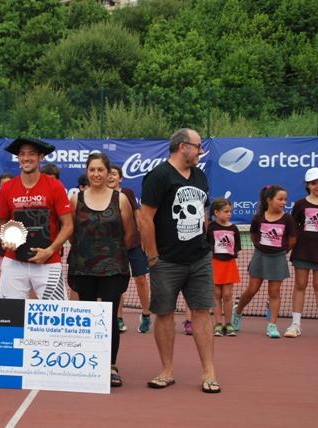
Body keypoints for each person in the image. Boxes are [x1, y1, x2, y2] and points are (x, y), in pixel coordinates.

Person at [139, 128, 220, 393]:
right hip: (167, 261)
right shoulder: (159, 176)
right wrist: (152, 256)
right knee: (163, 314)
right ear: (183, 146)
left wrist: (205, 244)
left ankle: (209, 372)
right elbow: (145, 218)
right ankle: (166, 370)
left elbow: (204, 213)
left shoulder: (199, 176)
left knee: (202, 312)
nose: (200, 151)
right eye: (198, 146)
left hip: (199, 258)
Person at [67, 152, 134, 387]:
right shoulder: (76, 199)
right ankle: (87, 362)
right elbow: (71, 231)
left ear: (108, 173)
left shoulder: (121, 200)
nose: (96, 174)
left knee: (109, 317)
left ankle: (110, 365)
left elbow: (129, 233)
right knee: (86, 318)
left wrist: (111, 254)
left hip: (113, 269)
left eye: (100, 170)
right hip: (83, 267)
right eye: (92, 170)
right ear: (87, 172)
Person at [0, 137, 73, 300]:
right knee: (10, 317)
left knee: (56, 315)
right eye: (22, 154)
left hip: (49, 261)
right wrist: (5, 239)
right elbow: (2, 222)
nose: (26, 158)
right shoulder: (7, 188)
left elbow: (68, 225)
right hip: (14, 260)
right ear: (18, 158)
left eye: (31, 154)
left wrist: (50, 250)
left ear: (41, 157)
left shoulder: (55, 186)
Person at [232, 185, 296, 338]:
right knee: (252, 290)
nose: (283, 202)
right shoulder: (258, 218)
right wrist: (262, 248)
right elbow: (254, 236)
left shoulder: (288, 219)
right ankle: (237, 312)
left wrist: (281, 251)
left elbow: (292, 240)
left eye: (285, 199)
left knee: (274, 292)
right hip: (260, 257)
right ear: (269, 200)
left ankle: (272, 325)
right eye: (280, 199)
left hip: (278, 258)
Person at [108, 164, 152, 334]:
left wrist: (144, 238)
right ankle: (118, 318)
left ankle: (146, 314)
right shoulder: (102, 196)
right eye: (109, 174)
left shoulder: (127, 193)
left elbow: (137, 215)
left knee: (141, 279)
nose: (111, 177)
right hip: (114, 247)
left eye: (114, 174)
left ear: (120, 178)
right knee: (117, 281)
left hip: (133, 244)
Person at [285, 168, 318, 338]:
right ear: (308, 185)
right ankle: (295, 325)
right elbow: (293, 228)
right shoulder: (300, 204)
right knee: (300, 285)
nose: (317, 186)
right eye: (313, 183)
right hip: (303, 251)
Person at [206, 198, 241, 337]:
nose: (229, 214)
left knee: (227, 295)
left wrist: (230, 254)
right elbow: (208, 245)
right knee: (217, 295)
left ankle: (229, 324)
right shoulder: (211, 228)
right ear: (216, 212)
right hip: (215, 264)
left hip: (229, 265)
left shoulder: (233, 228)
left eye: (230, 211)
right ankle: (218, 324)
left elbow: (237, 246)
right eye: (226, 211)